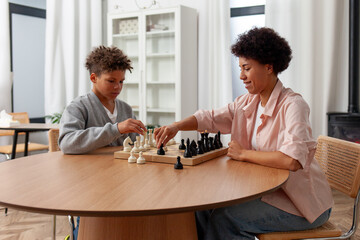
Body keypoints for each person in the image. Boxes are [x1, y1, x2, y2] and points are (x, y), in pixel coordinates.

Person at [154, 27, 333, 239]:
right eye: (240, 68)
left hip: (301, 204)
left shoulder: (293, 105)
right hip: (266, 191)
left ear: (268, 67)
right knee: (200, 205)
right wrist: (176, 126)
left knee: (225, 218)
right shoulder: (248, 101)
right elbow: (210, 117)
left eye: (246, 68)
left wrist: (243, 154)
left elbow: (292, 160)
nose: (241, 76)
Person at [59, 45, 146, 154]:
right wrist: (116, 129)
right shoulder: (78, 107)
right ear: (93, 78)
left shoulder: (126, 109)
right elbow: (67, 144)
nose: (118, 87)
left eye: (121, 81)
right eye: (111, 81)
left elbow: (134, 145)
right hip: (88, 169)